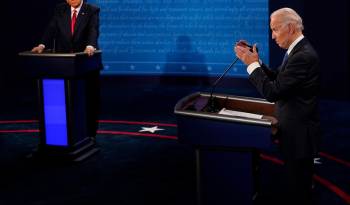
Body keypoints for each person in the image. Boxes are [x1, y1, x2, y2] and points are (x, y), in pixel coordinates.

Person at [234, 8, 320, 205]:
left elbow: (273, 92)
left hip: (299, 136)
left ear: (289, 28)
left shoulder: (303, 56)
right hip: (294, 133)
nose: (272, 36)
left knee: (298, 191)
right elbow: (279, 80)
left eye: (275, 30)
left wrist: (252, 66)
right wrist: (256, 62)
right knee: (295, 185)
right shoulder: (297, 50)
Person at [32, 0, 101, 139]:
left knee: (89, 100)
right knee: (67, 101)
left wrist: (90, 45)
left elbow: (93, 29)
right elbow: (51, 28)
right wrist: (42, 45)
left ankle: (90, 135)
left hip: (85, 62)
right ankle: (66, 135)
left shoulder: (92, 10)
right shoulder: (60, 9)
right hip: (64, 64)